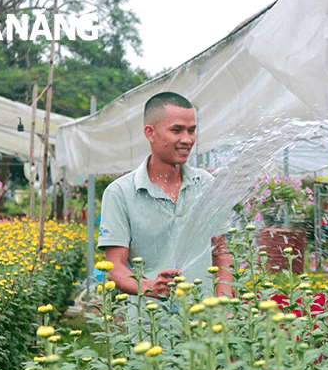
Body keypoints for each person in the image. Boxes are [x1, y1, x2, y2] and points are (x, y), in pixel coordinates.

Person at [98, 92, 232, 299]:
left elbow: (222, 253)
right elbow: (114, 267)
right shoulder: (120, 193)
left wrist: (224, 305)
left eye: (192, 131)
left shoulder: (206, 185)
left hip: (205, 321)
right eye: (176, 130)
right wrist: (150, 286)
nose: (187, 139)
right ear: (150, 133)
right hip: (150, 325)